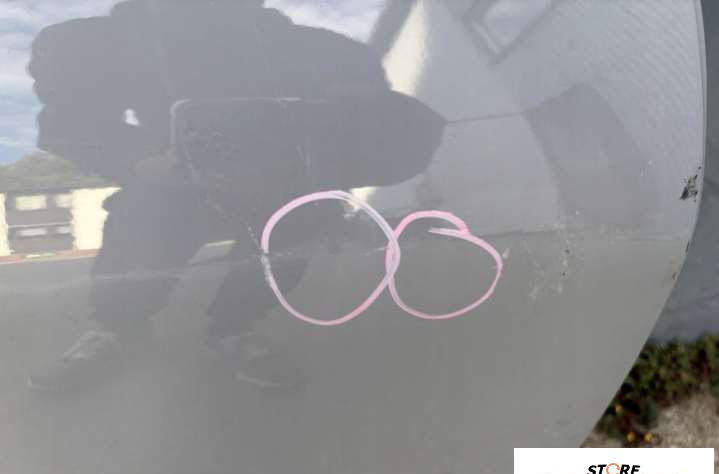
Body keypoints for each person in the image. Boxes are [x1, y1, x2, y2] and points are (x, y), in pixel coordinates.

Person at [27, 0, 445, 390]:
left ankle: (234, 327)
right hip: (175, 174)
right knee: (145, 214)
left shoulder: (318, 50)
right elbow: (67, 121)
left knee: (297, 217)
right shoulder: (116, 40)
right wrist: (139, 160)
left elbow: (366, 118)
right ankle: (118, 326)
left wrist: (350, 123)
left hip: (280, 178)